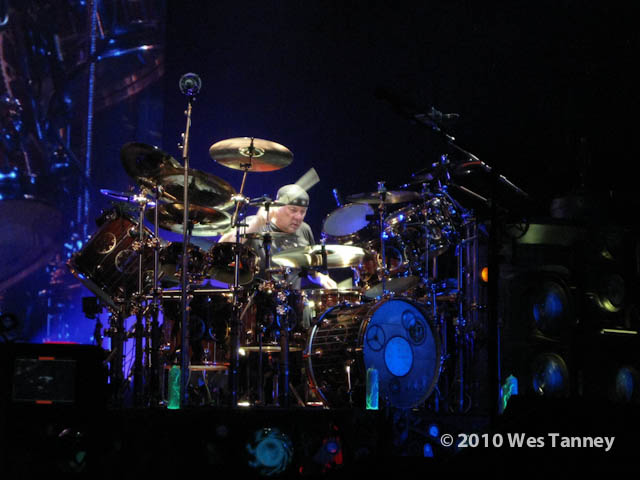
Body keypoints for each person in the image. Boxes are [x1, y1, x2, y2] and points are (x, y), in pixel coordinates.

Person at [218, 184, 337, 290]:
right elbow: (221, 249)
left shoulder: (304, 230)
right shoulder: (254, 223)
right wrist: (257, 223)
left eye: (303, 212)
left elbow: (310, 269)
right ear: (277, 206)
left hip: (291, 301)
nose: (298, 217)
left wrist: (320, 277)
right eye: (293, 210)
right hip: (254, 299)